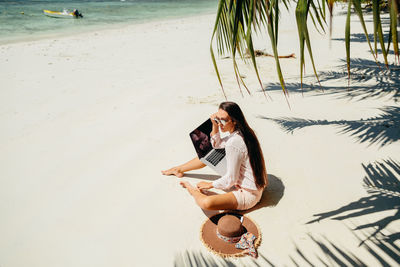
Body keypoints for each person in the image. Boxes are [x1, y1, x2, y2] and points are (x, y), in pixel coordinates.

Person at [161, 101, 268, 211]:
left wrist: (210, 184)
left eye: (223, 120)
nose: (220, 123)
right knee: (209, 155)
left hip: (248, 194)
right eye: (218, 119)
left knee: (207, 203)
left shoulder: (234, 142)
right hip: (255, 184)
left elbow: (231, 179)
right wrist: (214, 125)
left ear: (234, 121)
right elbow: (217, 145)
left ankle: (191, 189)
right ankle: (177, 169)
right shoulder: (242, 132)